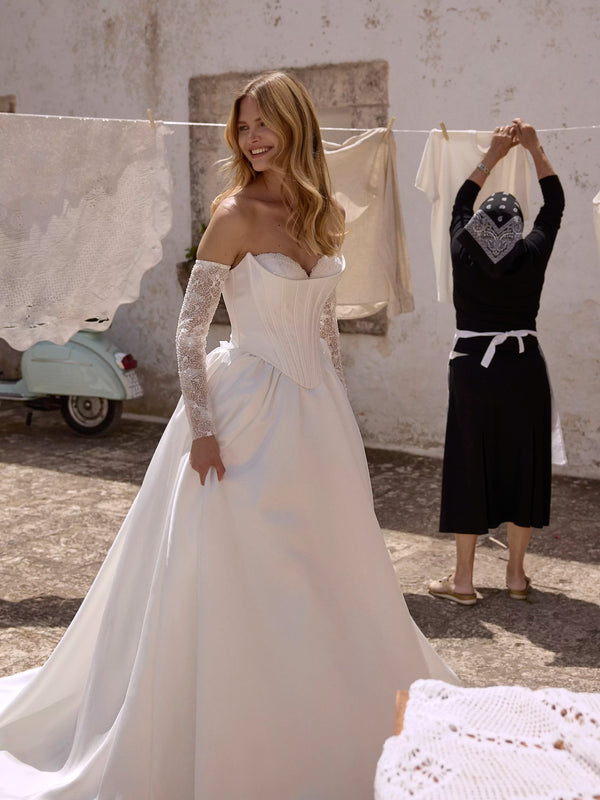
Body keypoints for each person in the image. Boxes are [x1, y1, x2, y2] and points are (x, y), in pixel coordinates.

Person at [0, 71, 456, 800]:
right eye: (243, 127)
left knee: (329, 562)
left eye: (264, 123)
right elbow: (189, 329)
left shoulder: (324, 212)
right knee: (245, 564)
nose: (252, 139)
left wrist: (339, 410)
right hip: (243, 410)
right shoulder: (234, 214)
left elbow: (324, 325)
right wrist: (203, 432)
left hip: (316, 414)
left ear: (297, 125)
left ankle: (332, 704)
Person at [429, 119, 565, 606]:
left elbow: (460, 203)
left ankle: (463, 582)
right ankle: (515, 576)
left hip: (472, 368)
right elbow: (554, 206)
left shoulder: (461, 248)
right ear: (517, 230)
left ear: (477, 228)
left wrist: (492, 155)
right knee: (524, 464)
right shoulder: (531, 253)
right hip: (523, 368)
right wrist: (534, 149)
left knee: (469, 464)